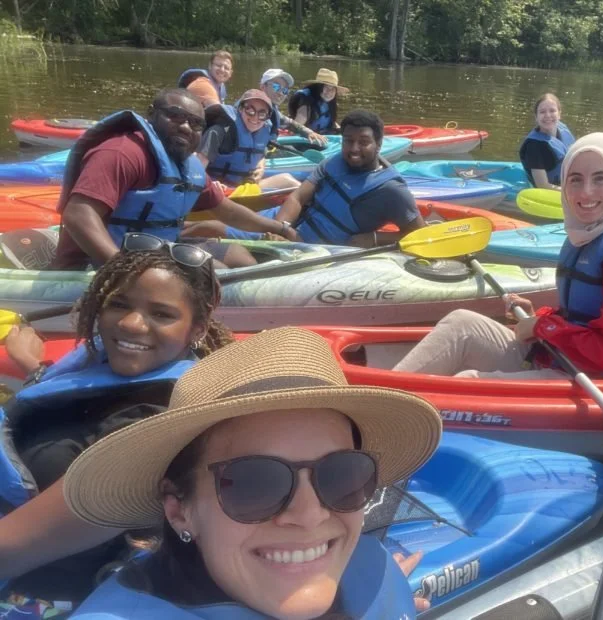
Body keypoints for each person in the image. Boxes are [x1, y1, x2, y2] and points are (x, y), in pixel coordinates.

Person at [62, 326, 441, 618]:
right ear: (179, 509)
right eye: (254, 484)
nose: (309, 515)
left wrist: (378, 593)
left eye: (341, 475)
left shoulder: (366, 572)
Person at [0, 237, 233, 617]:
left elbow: (10, 551)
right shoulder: (101, 367)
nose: (130, 323)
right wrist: (34, 368)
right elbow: (72, 406)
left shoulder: (151, 427)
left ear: (198, 328)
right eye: (119, 304)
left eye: (161, 314)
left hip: (35, 597)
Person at [394, 132, 603, 380]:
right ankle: (381, 394)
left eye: (600, 179)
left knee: (469, 380)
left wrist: (544, 327)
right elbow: (584, 317)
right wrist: (541, 317)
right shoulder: (589, 231)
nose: (585, 192)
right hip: (566, 358)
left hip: (601, 378)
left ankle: (388, 415)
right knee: (461, 324)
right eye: (575, 179)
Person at [51, 88, 298, 271]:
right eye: (175, 116)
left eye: (196, 123)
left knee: (239, 257)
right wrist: (121, 272)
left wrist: (279, 227)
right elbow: (78, 215)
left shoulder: (185, 165)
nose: (186, 128)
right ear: (152, 115)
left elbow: (226, 210)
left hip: (155, 249)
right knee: (218, 272)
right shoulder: (123, 152)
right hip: (98, 263)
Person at [186, 110, 425, 248]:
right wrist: (282, 229)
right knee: (200, 225)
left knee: (211, 228)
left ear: (379, 144)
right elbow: (299, 196)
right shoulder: (336, 162)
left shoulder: (392, 191)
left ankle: (161, 246)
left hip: (315, 247)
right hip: (285, 225)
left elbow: (420, 236)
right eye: (348, 141)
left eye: (363, 142)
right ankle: (161, 232)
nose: (354, 149)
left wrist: (374, 238)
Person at [196, 89, 300, 192]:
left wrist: (261, 165)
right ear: (240, 109)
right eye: (250, 110)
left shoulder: (263, 132)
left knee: (288, 180)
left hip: (242, 187)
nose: (255, 117)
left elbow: (260, 153)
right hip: (216, 191)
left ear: (268, 117)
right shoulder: (220, 131)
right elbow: (197, 168)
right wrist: (209, 184)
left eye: (262, 114)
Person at [518, 93, 576, 190]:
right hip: (549, 191)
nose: (548, 115)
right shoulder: (534, 145)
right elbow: (543, 185)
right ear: (536, 117)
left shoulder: (563, 129)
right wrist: (571, 191)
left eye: (552, 111)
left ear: (559, 114)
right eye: (542, 112)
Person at [258, 68, 328, 147]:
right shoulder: (251, 110)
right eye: (276, 86)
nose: (281, 93)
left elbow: (289, 123)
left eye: (284, 90)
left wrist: (309, 132)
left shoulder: (272, 110)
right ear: (263, 87)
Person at [288, 68, 347, 136]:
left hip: (323, 136)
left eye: (333, 89)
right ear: (318, 87)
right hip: (305, 138)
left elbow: (331, 123)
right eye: (326, 87)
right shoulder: (305, 100)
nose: (329, 92)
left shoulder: (329, 103)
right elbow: (295, 128)